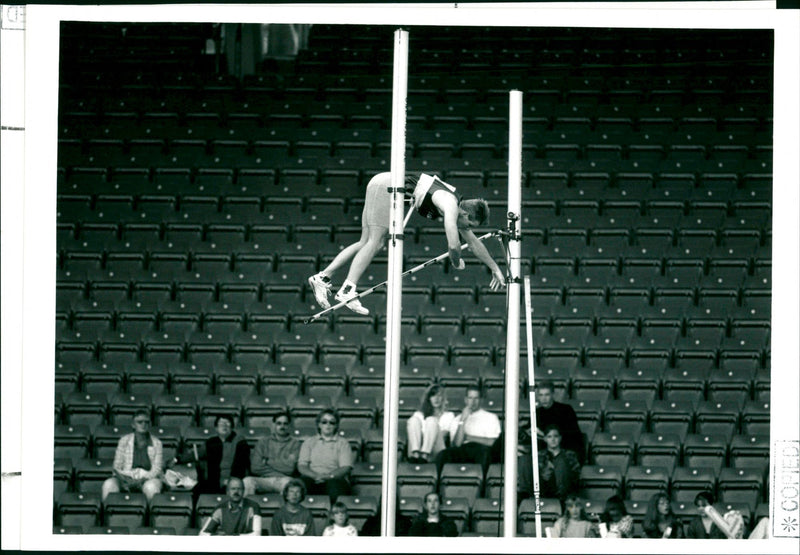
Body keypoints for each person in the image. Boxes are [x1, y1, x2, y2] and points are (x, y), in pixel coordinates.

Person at [307, 172, 506, 315]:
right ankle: (347, 290)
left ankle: (323, 277)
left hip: (381, 182)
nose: (468, 228)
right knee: (375, 242)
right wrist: (456, 262)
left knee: (366, 242)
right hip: (389, 185)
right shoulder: (450, 206)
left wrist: (494, 267)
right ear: (465, 213)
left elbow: (473, 243)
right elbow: (454, 245)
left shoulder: (454, 207)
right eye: (470, 224)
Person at [176, 414, 250, 503]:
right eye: (221, 423)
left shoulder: (240, 442)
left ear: (232, 427)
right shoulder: (211, 442)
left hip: (230, 481)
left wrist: (231, 481)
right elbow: (196, 453)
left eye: (227, 423)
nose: (224, 426)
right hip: (214, 481)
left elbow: (240, 466)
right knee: (197, 490)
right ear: (216, 428)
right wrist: (177, 459)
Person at [435, 385, 501, 477]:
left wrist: (469, 437)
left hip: (481, 449)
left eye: (476, 398)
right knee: (443, 455)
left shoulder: (491, 417)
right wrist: (462, 420)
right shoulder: (457, 418)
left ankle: (483, 487)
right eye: (470, 398)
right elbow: (457, 444)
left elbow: (492, 442)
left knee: (484, 454)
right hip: (463, 450)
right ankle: (437, 488)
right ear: (466, 400)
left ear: (481, 400)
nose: (473, 402)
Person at [101, 411, 164, 504]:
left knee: (151, 488)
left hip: (147, 477)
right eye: (140, 422)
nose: (143, 425)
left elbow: (157, 469)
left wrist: (141, 481)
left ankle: (150, 517)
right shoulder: (124, 441)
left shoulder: (157, 443)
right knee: (108, 485)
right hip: (126, 476)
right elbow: (116, 466)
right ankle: (107, 517)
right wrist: (124, 480)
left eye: (146, 422)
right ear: (133, 425)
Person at [297, 409, 354, 503]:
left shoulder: (343, 443)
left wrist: (328, 476)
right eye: (324, 422)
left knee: (334, 488)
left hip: (334, 478)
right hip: (312, 478)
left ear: (336, 425)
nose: (328, 425)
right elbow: (302, 466)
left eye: (332, 422)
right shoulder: (309, 442)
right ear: (319, 424)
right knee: (298, 487)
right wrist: (315, 476)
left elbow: (345, 467)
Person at [243, 410, 301, 496]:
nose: (282, 426)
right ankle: (250, 509)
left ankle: (284, 509)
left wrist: (267, 461)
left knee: (289, 483)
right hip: (264, 480)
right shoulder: (263, 442)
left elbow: (290, 468)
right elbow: (255, 467)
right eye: (279, 423)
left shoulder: (295, 443)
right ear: (273, 425)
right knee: (247, 481)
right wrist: (282, 464)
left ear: (289, 426)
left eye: (285, 424)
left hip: (284, 480)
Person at [518, 424, 581, 501]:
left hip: (563, 488)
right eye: (549, 437)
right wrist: (544, 473)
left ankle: (561, 499)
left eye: (556, 436)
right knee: (524, 459)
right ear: (545, 439)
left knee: (560, 461)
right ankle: (525, 495)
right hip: (542, 486)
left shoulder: (570, 454)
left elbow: (576, 475)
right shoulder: (539, 455)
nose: (553, 439)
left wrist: (556, 470)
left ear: (560, 438)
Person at [406, 384, 456, 463]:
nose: (436, 399)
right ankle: (416, 454)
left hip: (437, 450)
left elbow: (444, 436)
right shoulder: (418, 415)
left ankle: (425, 455)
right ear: (428, 398)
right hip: (418, 449)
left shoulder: (449, 415)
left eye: (439, 396)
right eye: (433, 396)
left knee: (431, 420)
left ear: (443, 399)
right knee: (413, 420)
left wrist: (426, 435)